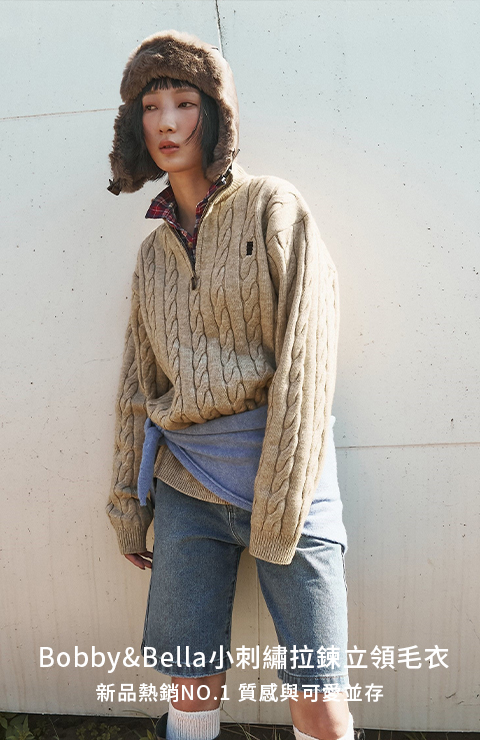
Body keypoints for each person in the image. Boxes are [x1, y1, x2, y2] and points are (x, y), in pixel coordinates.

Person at [106, 29, 361, 740]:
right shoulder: (153, 255)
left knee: (318, 699)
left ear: (216, 113)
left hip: (290, 480)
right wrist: (129, 503)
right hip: (187, 484)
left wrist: (284, 495)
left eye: (184, 102)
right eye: (150, 106)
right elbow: (137, 386)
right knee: (190, 688)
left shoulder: (272, 206)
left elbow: (308, 355)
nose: (166, 122)